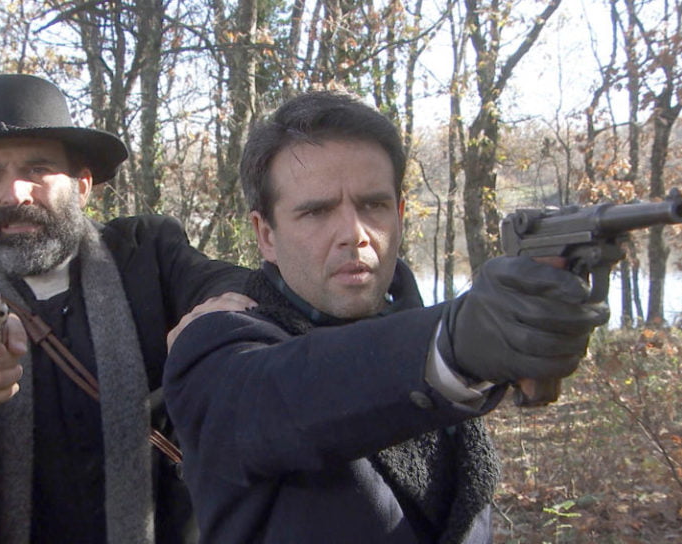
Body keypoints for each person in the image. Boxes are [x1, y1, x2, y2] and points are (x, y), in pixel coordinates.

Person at [163, 91, 609, 543]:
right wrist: (453, 345)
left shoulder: (423, 334)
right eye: (316, 211)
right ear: (266, 236)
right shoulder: (216, 355)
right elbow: (295, 391)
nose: (354, 233)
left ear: (399, 215)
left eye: (373, 205)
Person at [0, 73, 250, 543]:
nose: (16, 194)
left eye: (37, 169)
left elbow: (228, 282)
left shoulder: (148, 255)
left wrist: (217, 317)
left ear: (81, 185)